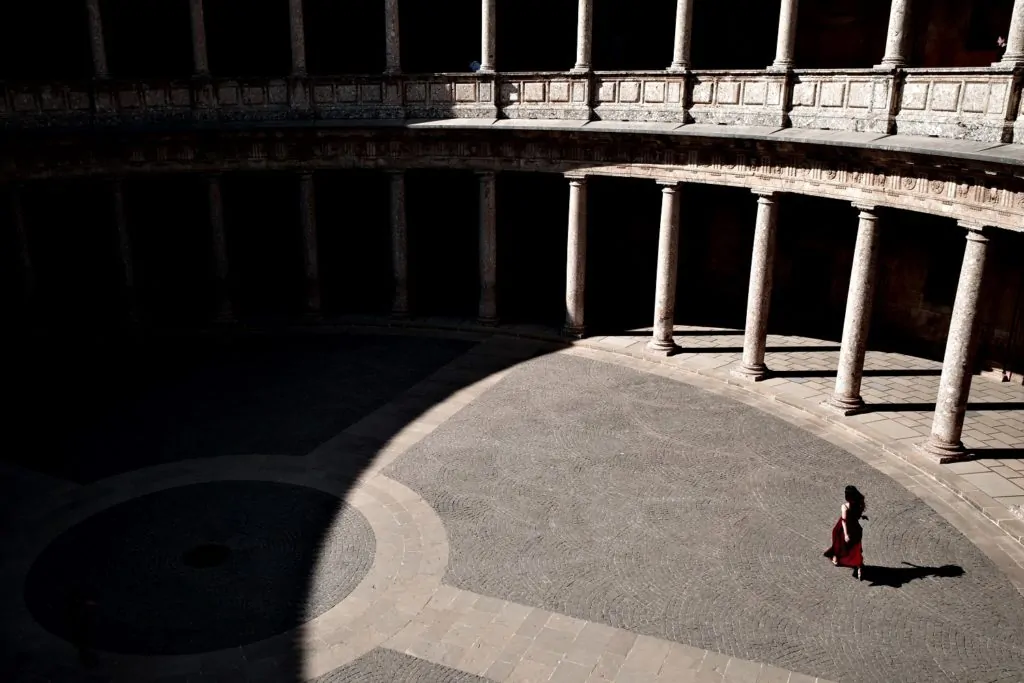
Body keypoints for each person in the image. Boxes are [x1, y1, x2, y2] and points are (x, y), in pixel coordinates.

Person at [823, 485, 867, 580]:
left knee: (838, 544)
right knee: (855, 548)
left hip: (844, 529)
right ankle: (859, 566)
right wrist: (862, 517)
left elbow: (844, 521)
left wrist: (846, 534)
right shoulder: (858, 502)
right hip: (856, 528)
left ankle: (836, 558)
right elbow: (857, 515)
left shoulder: (845, 506)